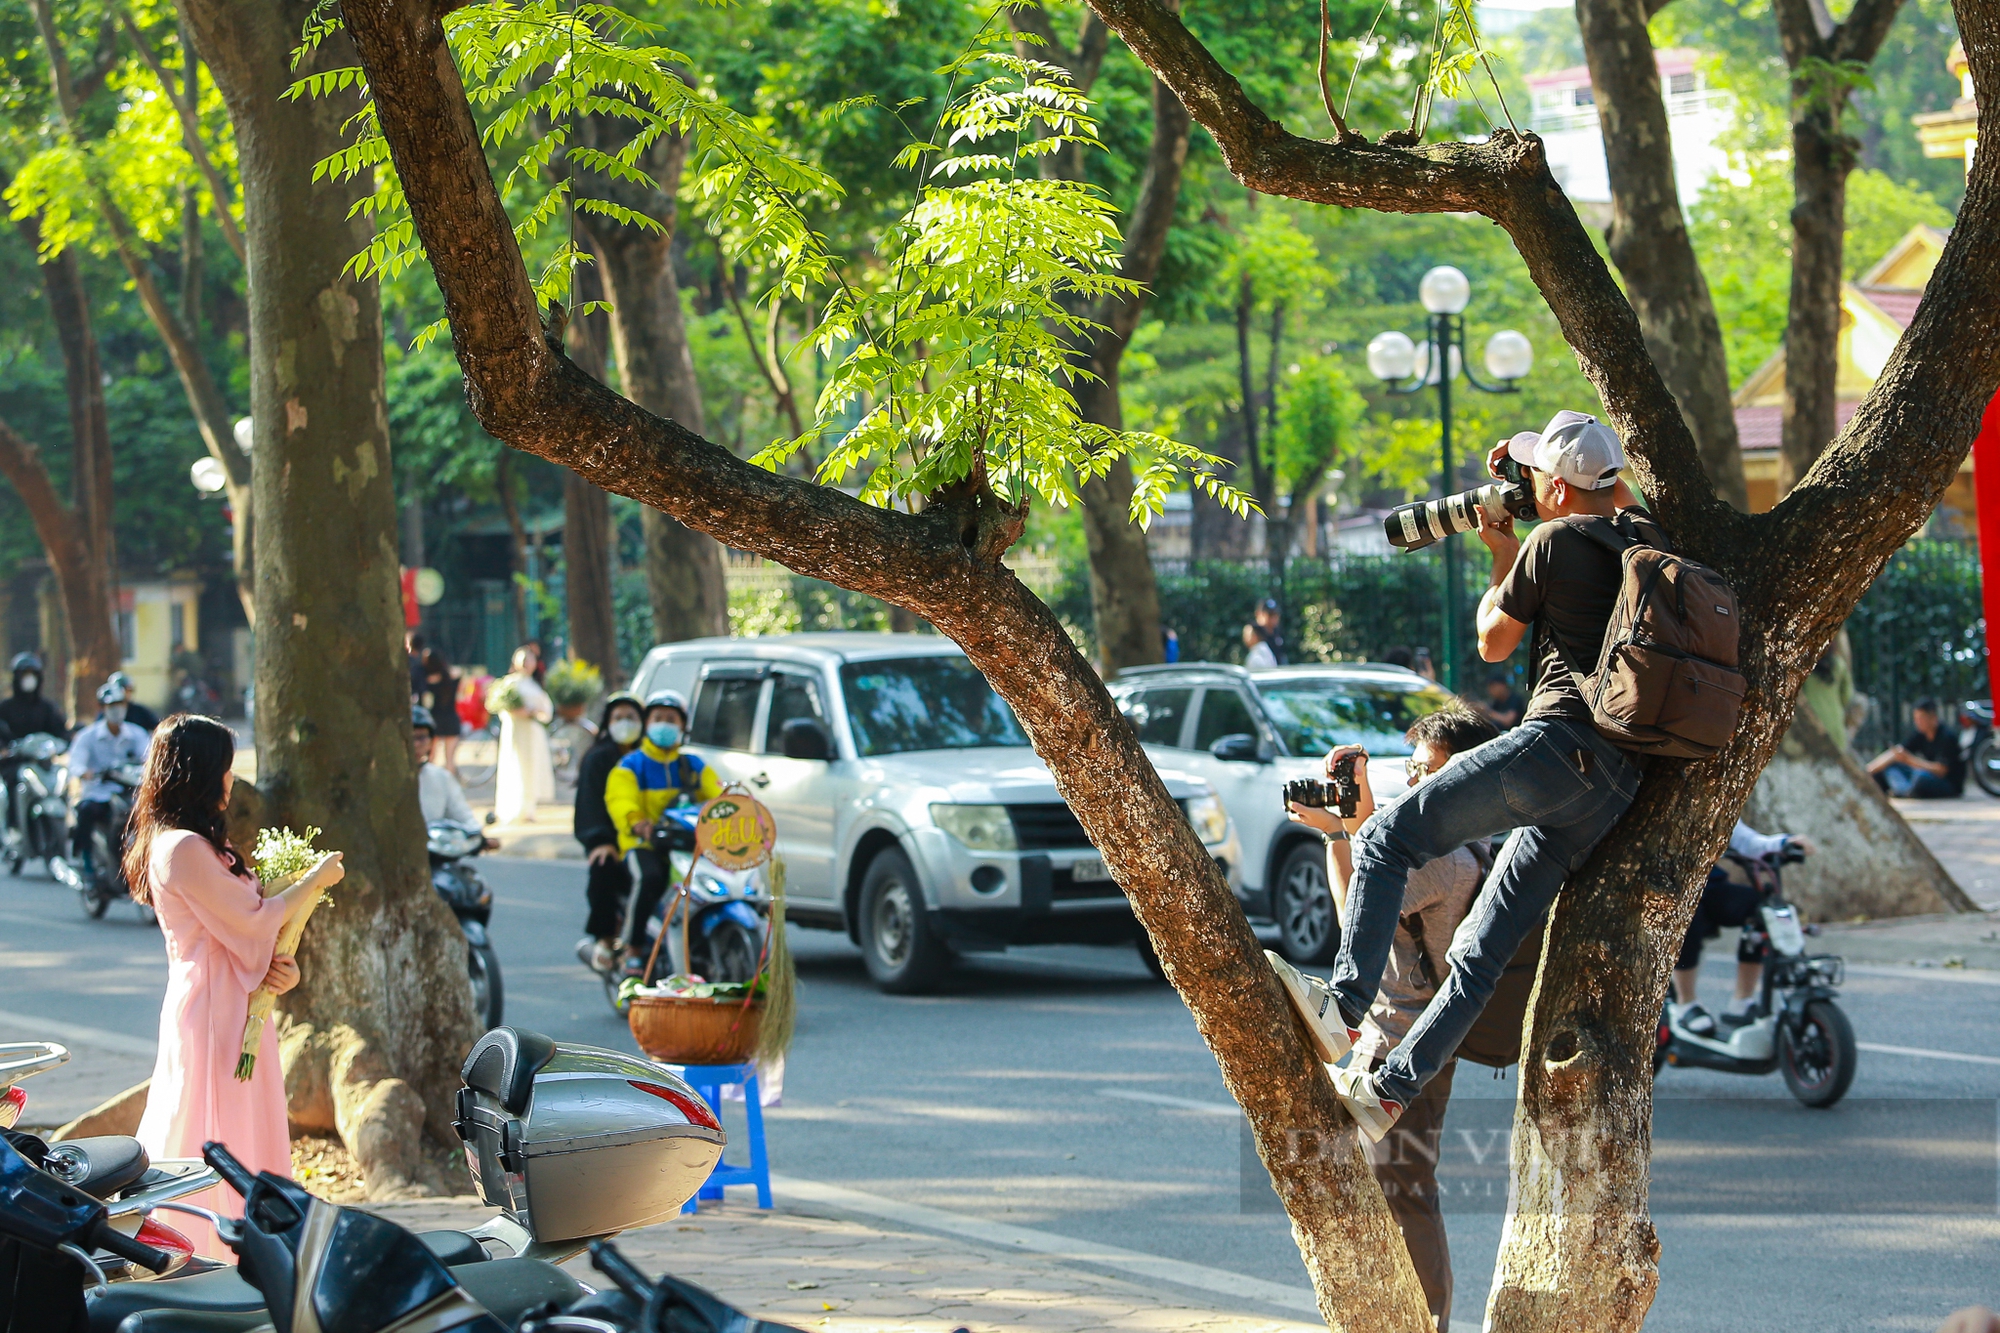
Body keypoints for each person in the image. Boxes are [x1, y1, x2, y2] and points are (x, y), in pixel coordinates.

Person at [1269, 410, 1645, 1140]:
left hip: (1558, 746)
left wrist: (1503, 549)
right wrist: (1546, 482)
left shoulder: (1553, 541)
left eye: (1538, 475)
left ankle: (1340, 1007)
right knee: (1480, 950)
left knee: (1382, 840)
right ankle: (1389, 1092)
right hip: (1613, 786)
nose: (1527, 485)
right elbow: (1614, 495)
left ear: (1559, 492)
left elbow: (1493, 640)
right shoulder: (1641, 537)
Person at [1272, 703, 1500, 1330]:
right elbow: (1362, 896)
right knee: (1393, 1191)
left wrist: (1347, 830)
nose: (1417, 784)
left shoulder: (1446, 858)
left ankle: (1429, 1320)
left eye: (1431, 771)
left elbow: (1353, 915)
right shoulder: (1438, 845)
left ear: (1474, 775)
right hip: (1393, 1040)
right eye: (1412, 769)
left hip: (1408, 1046)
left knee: (1404, 1192)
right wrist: (1339, 830)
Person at [128, 715, 343, 1255]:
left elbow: (244, 932)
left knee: (244, 1130)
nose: (232, 779)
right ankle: (202, 1249)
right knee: (209, 1131)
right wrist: (312, 883)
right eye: (225, 768)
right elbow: (251, 920)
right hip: (210, 1016)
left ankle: (250, 1248)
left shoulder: (199, 846)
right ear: (199, 774)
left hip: (236, 1009)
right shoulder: (179, 849)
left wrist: (281, 971)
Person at [604, 690, 722, 961]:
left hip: (688, 844)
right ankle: (632, 950)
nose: (665, 724)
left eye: (671, 719)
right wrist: (636, 822)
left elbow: (719, 794)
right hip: (644, 844)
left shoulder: (692, 765)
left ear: (683, 726)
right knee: (649, 878)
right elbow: (620, 799)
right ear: (647, 724)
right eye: (658, 718)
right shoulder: (632, 764)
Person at [1669, 822, 1817, 1036]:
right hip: (1666, 889)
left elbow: (1749, 843)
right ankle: (1686, 1003)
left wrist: (1785, 842)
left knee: (1760, 908)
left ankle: (1741, 1002)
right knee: (1687, 914)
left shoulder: (1710, 800)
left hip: (1707, 884)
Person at [574, 692, 644, 971]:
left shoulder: (652, 757)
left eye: (631, 718)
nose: (625, 723)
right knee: (604, 868)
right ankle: (606, 938)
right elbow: (589, 803)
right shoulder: (598, 758)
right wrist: (600, 841)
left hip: (649, 838)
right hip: (612, 840)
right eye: (618, 718)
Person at [68, 681, 153, 872]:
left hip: (129, 792)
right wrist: (84, 772)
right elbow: (76, 762)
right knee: (86, 812)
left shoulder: (136, 734)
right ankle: (86, 862)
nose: (117, 710)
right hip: (99, 793)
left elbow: (149, 758)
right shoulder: (87, 736)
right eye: (112, 705)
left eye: (120, 704)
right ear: (102, 708)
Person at [0, 652, 67, 844]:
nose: (29, 679)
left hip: (42, 763)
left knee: (62, 780)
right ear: (16, 678)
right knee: (14, 785)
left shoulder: (47, 707)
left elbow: (60, 730)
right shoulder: (5, 708)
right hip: (13, 763)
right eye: (24, 674)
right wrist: (4, 750)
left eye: (32, 674)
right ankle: (13, 828)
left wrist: (66, 740)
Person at [493, 646, 555, 823]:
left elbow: (546, 709)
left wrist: (536, 713)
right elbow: (503, 708)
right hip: (516, 731)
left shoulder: (534, 685)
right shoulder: (509, 684)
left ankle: (529, 808)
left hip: (532, 733)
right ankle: (514, 807)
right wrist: (519, 712)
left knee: (531, 767)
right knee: (516, 764)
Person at [1867, 697, 1964, 799]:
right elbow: (1897, 752)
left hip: (1946, 783)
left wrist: (1911, 761)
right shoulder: (1920, 734)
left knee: (1920, 777)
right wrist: (1868, 770)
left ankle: (1904, 790)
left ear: (1933, 718)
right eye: (1916, 718)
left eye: (1921, 718)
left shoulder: (1947, 737)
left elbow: (1941, 770)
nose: (1918, 722)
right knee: (1890, 768)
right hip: (1922, 775)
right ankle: (1904, 791)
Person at [412, 706, 486, 830]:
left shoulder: (440, 777)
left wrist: (478, 835)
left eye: (422, 738)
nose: (416, 744)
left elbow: (463, 815)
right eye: (411, 738)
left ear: (431, 742)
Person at [418, 649, 464, 775]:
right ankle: (450, 788)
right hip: (451, 719)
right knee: (450, 760)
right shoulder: (451, 678)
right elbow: (459, 675)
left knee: (431, 758)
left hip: (434, 720)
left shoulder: (427, 682)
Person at [1254, 597, 1287, 665]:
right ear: (1259, 614)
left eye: (1276, 615)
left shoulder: (1278, 633)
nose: (1273, 619)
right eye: (1270, 615)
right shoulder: (1254, 633)